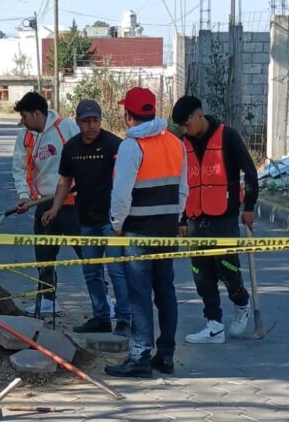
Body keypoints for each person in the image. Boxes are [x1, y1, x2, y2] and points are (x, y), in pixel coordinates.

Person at [104, 87, 187, 378]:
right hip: (166, 231)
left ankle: (139, 356)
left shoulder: (131, 146)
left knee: (139, 294)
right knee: (165, 291)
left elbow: (121, 196)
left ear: (128, 115)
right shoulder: (175, 143)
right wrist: (174, 219)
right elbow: (183, 190)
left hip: (138, 231)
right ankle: (165, 356)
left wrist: (116, 225)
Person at [171, 95, 259, 343]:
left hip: (224, 217)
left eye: (187, 124)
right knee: (201, 274)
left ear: (199, 116)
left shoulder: (228, 136)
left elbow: (250, 172)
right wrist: (181, 219)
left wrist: (249, 206)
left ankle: (241, 303)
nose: (184, 130)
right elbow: (180, 184)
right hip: (195, 219)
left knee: (228, 269)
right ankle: (214, 324)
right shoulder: (182, 144)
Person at [41, 100, 131, 337]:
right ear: (78, 121)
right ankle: (101, 318)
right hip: (87, 221)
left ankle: (124, 319)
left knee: (117, 272)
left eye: (95, 120)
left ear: (100, 120)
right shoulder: (71, 148)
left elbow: (128, 180)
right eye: (86, 121)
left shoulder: (115, 145)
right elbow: (65, 181)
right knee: (91, 272)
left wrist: (124, 216)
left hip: (112, 222)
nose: (91, 126)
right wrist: (55, 209)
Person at [11, 92, 80, 315]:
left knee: (87, 253)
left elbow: (82, 157)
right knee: (44, 255)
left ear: (36, 114)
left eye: (24, 116)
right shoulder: (25, 137)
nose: (22, 121)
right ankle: (48, 300)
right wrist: (24, 195)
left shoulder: (66, 127)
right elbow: (20, 169)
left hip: (73, 202)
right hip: (44, 203)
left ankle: (103, 302)